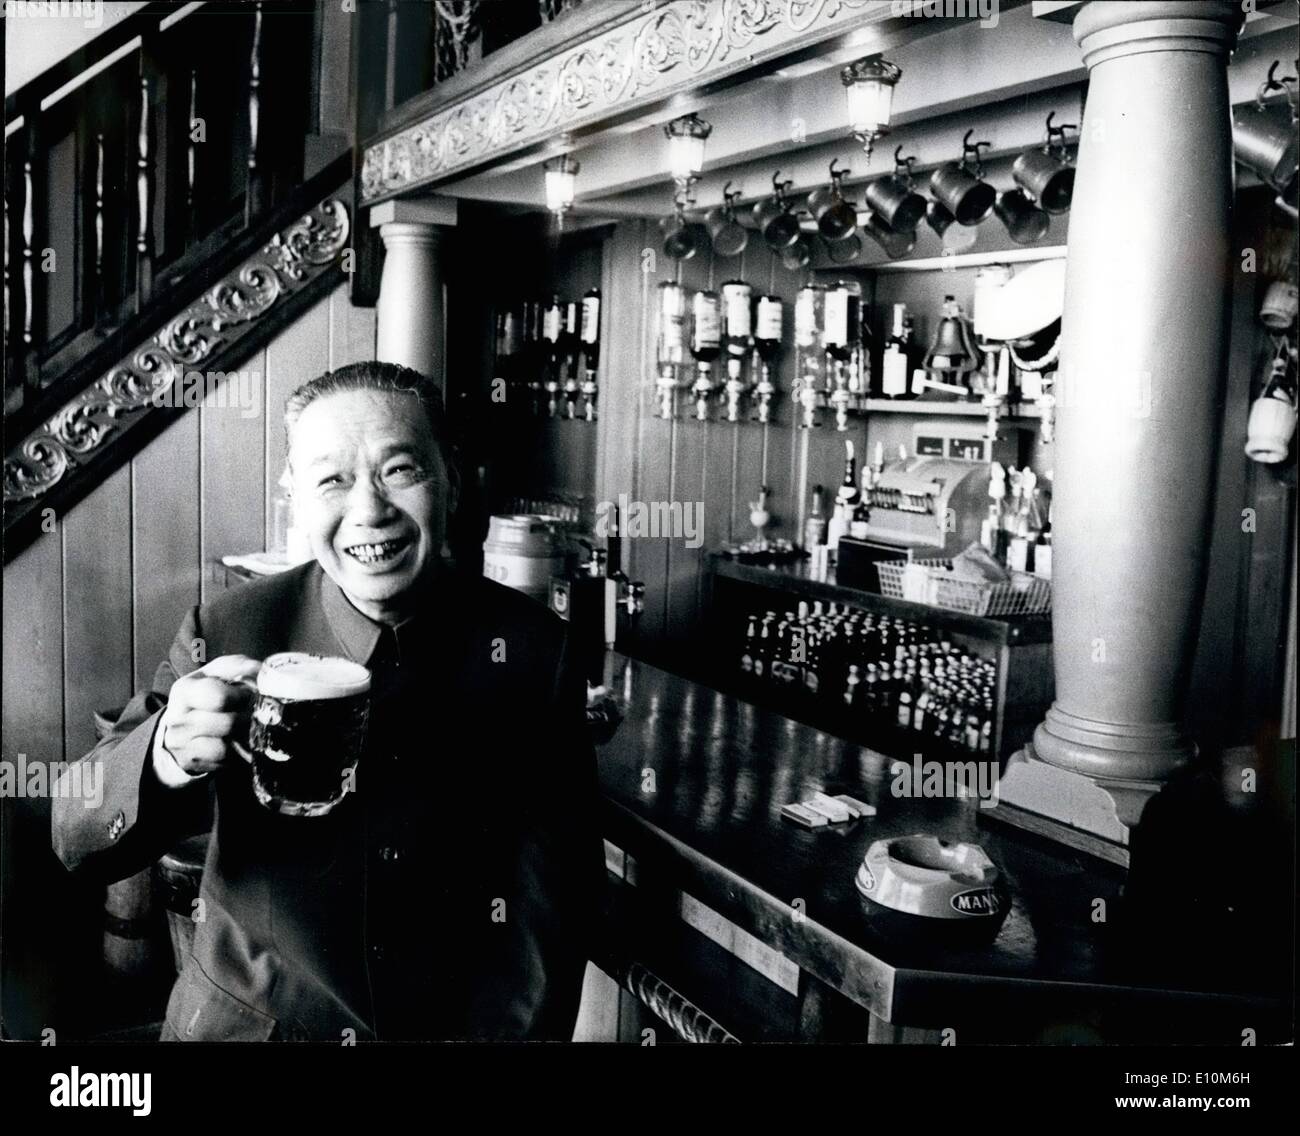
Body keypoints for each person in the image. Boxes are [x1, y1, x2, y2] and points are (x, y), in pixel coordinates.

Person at [51, 361, 603, 1041]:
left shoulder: (536, 653)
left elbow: (549, 913)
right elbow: (76, 839)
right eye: (332, 479)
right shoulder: (227, 630)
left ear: (450, 480)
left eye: (400, 470)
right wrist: (163, 752)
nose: (369, 509)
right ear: (296, 498)